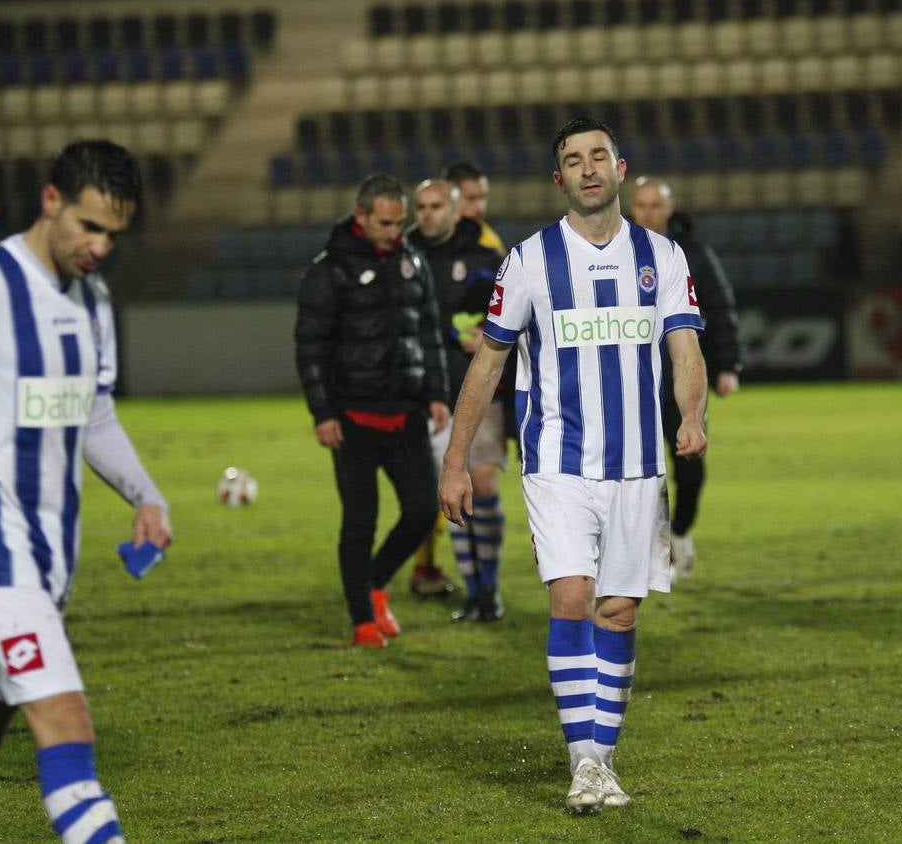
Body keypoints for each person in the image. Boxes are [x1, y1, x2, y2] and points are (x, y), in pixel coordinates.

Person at [439, 117, 707, 813]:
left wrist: (693, 415)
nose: (588, 170)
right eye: (573, 161)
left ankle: (603, 758)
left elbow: (685, 352)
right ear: (559, 179)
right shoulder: (529, 260)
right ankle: (583, 761)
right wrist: (456, 461)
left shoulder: (663, 257)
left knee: (617, 613)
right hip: (556, 461)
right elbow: (489, 361)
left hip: (639, 466)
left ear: (620, 167)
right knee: (570, 598)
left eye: (599, 157)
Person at [0, 140, 173, 842]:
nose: (100, 246)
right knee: (66, 724)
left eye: (113, 234)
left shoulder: (91, 299)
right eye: (89, 225)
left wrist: (146, 496)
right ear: (51, 201)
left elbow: (92, 411)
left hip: (47, 557)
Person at [294, 174, 450, 648]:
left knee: (424, 511)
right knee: (360, 522)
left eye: (399, 223)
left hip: (405, 413)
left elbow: (428, 331)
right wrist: (323, 412)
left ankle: (375, 582)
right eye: (385, 223)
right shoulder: (329, 269)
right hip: (354, 418)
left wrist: (437, 392)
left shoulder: (411, 261)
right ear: (361, 217)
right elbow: (311, 346)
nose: (394, 232)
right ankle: (362, 620)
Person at [628, 176, 743, 582]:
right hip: (636, 381)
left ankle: (681, 532)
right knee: (644, 472)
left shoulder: (692, 253)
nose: (648, 213)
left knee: (690, 468)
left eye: (655, 205)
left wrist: (727, 365)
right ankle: (659, 550)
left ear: (669, 208)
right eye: (640, 205)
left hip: (683, 379)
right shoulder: (616, 252)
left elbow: (720, 306)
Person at [405, 178, 509, 622]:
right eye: (421, 206)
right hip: (425, 395)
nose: (426, 214)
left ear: (454, 210)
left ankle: (489, 589)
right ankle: (471, 592)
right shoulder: (402, 257)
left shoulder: (487, 259)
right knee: (448, 494)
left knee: (482, 485)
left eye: (435, 206)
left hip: (479, 390)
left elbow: (518, 313)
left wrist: (491, 330)